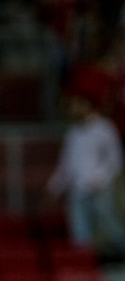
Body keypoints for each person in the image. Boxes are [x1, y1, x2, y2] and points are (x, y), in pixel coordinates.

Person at [47, 79, 125, 257]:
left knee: (110, 224)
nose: (73, 108)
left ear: (87, 104)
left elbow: (115, 160)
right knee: (80, 232)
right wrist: (54, 187)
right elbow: (66, 164)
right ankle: (85, 267)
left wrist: (101, 178)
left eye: (76, 104)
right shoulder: (73, 133)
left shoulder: (104, 128)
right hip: (78, 188)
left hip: (99, 187)